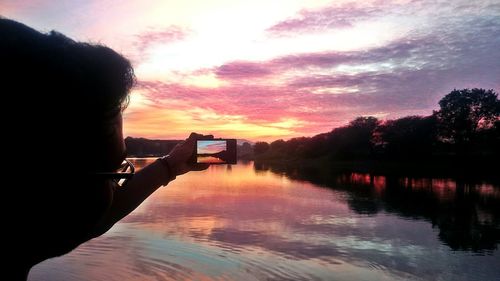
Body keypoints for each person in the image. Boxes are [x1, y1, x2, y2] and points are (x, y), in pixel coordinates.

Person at [1, 17, 211, 280]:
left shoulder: (24, 228)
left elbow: (88, 215)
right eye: (114, 174)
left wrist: (170, 165)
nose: (113, 191)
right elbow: (87, 214)